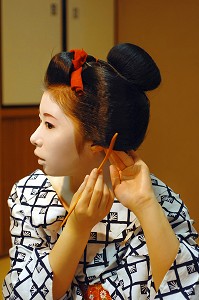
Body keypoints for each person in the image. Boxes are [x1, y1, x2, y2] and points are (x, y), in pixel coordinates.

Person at [2, 43, 199, 300]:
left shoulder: (160, 201)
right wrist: (76, 227)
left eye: (49, 125)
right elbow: (22, 294)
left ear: (97, 143)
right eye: (40, 120)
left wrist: (146, 205)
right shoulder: (28, 196)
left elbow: (187, 290)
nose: (34, 137)